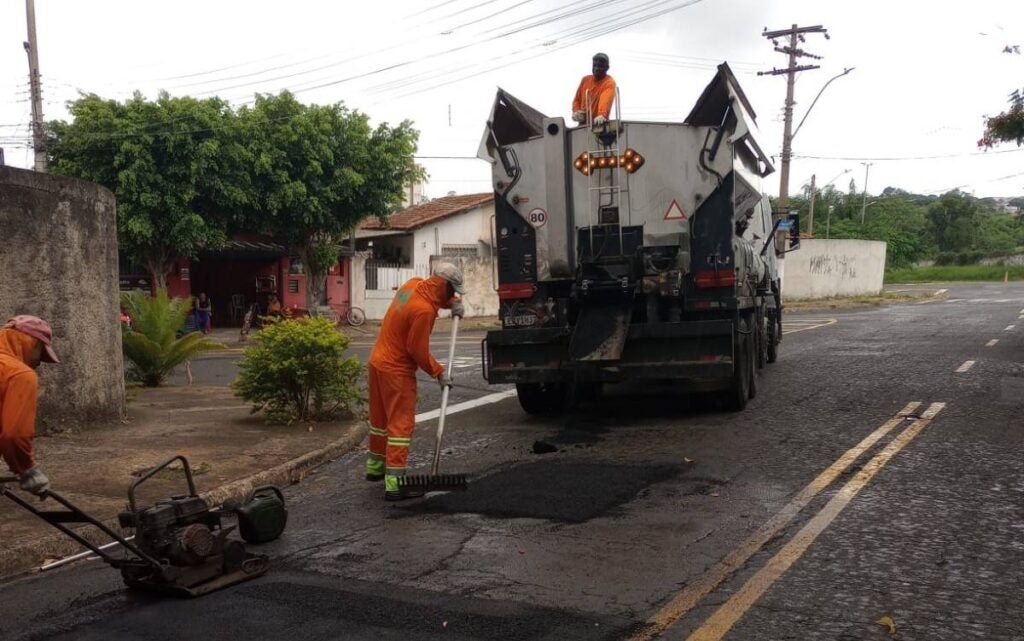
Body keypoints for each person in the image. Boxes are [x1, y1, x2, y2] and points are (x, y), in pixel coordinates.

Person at [366, 263, 466, 501]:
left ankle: (375, 468)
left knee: (380, 421)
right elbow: (417, 351)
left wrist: (451, 303)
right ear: (443, 285)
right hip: (396, 371)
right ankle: (395, 483)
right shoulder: (424, 312)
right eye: (452, 291)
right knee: (400, 425)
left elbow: (430, 297)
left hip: (377, 362)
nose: (453, 295)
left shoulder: (410, 286)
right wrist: (439, 372)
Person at [0, 315, 60, 497]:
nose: (39, 362)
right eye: (41, 353)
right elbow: (15, 435)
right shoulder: (19, 374)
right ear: (32, 343)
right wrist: (28, 472)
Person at [572, 52, 617, 127]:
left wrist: (601, 114)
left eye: (600, 66)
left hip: (599, 125)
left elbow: (605, 100)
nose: (596, 68)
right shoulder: (585, 80)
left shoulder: (609, 82)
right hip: (582, 126)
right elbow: (577, 99)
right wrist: (576, 112)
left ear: (607, 68)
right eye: (594, 65)